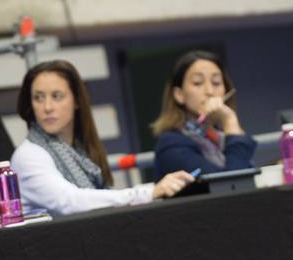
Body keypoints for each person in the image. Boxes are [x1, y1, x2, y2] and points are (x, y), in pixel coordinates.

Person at [10, 60, 193, 216]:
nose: (47, 107)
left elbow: (97, 197)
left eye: (57, 96)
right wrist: (150, 192)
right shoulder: (28, 155)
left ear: (77, 101)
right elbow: (68, 201)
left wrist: (158, 189)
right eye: (38, 98)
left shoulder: (80, 150)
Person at [151, 50, 257, 178]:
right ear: (179, 94)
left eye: (216, 82)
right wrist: (230, 121)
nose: (210, 91)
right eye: (198, 83)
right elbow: (231, 186)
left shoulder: (222, 136)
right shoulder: (171, 144)